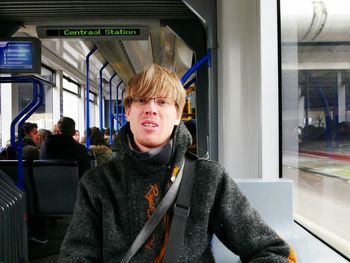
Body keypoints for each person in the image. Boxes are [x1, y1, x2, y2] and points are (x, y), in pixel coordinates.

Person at [59, 64, 296, 262]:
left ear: (177, 114)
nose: (151, 109)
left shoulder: (207, 178)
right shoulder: (97, 183)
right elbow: (76, 256)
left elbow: (272, 251)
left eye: (162, 102)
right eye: (142, 100)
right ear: (128, 111)